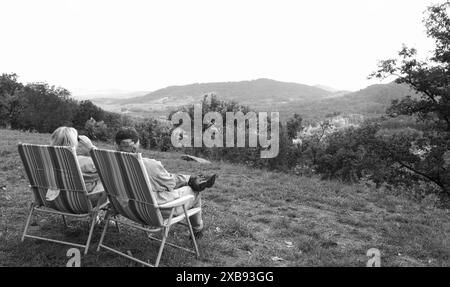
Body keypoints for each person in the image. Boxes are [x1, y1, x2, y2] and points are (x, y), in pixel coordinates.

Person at [113, 127, 216, 238]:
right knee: (194, 191)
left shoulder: (108, 163)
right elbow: (170, 184)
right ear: (136, 145)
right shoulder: (147, 165)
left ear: (115, 145)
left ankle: (191, 179)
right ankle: (197, 230)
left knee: (170, 181)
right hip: (154, 213)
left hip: (124, 208)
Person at [49, 126, 105, 206]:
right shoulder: (86, 162)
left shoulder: (48, 159)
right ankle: (100, 216)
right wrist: (91, 148)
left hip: (55, 200)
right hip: (81, 203)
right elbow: (108, 166)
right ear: (72, 143)